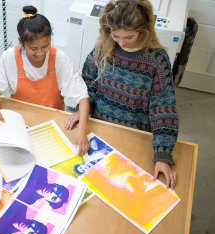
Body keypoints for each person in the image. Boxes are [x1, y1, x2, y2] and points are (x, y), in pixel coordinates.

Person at [66, 0, 178, 188]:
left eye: (128, 37)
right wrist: (82, 110)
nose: (120, 42)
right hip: (99, 130)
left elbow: (163, 108)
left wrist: (162, 154)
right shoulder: (103, 47)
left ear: (143, 31)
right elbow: (87, 83)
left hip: (135, 136)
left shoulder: (157, 60)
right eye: (115, 35)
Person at [0, 5, 90, 156]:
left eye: (45, 46)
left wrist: (82, 132)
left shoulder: (60, 59)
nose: (40, 53)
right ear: (21, 42)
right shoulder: (9, 57)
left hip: (52, 124)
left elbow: (82, 97)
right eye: (33, 48)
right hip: (20, 124)